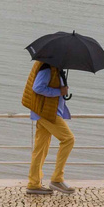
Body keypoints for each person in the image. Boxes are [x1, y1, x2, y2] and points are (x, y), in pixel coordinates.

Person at [21, 58, 74, 195]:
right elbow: (37, 88)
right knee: (68, 139)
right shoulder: (47, 68)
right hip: (47, 113)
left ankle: (33, 184)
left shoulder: (54, 69)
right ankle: (57, 179)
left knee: (40, 148)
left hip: (44, 111)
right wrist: (59, 92)